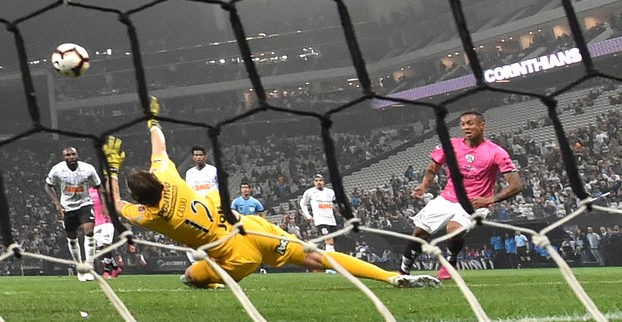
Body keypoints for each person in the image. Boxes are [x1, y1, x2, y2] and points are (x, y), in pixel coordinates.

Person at [102, 97, 440, 289]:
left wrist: (112, 170)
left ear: (142, 200)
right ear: (157, 182)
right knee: (318, 256)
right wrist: (152, 120)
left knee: (190, 278)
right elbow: (159, 147)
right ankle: (391, 276)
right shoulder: (170, 178)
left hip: (235, 256)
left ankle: (218, 282)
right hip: (251, 229)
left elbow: (117, 206)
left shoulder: (151, 215)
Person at [399, 111, 523, 280]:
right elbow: (432, 167)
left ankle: (450, 263)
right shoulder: (450, 145)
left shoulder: (496, 152)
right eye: (463, 124)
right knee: (419, 232)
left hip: (474, 203)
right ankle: (403, 271)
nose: (466, 127)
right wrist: (424, 185)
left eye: (470, 123)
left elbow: (516, 185)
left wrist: (489, 200)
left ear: (482, 125)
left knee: (454, 229)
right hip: (447, 198)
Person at [45, 146, 101, 282]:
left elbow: (98, 185)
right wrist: (57, 204)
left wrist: (102, 205)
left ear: (77, 155)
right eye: (68, 155)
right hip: (67, 207)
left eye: (73, 154)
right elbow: (48, 185)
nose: (71, 157)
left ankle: (89, 267)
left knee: (89, 232)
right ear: (64, 157)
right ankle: (79, 267)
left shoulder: (88, 168)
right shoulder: (57, 169)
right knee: (72, 237)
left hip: (85, 204)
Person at [300, 174, 338, 254]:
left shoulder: (330, 192)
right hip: (320, 220)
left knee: (332, 241)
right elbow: (302, 203)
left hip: (331, 220)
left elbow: (335, 201)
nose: (318, 182)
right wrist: (308, 215)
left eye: (320, 180)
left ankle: (328, 255)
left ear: (324, 182)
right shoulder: (310, 192)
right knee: (329, 239)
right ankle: (331, 258)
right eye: (316, 181)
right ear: (314, 182)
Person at [89, 186, 122, 279]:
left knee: (106, 244)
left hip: (106, 220)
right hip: (96, 222)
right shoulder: (89, 191)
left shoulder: (103, 189)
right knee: (101, 249)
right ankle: (116, 268)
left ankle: (106, 271)